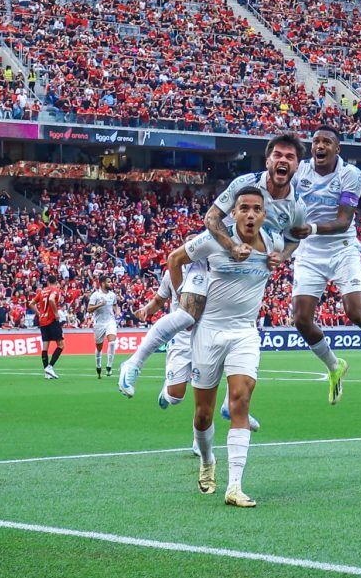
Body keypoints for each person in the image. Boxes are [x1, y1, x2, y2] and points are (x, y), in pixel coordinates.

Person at [119, 133, 310, 399]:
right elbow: (211, 217)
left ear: (298, 165)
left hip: (248, 271)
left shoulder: (297, 206)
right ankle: (133, 364)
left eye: (290, 157)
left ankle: (233, 404)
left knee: (238, 333)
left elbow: (294, 238)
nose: (283, 160)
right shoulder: (245, 183)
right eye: (277, 155)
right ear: (268, 160)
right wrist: (230, 247)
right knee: (187, 315)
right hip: (214, 257)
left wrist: (283, 256)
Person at [166, 186, 282, 507]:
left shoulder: (273, 243)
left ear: (263, 214)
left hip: (244, 332)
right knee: (203, 415)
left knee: (240, 401)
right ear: (233, 213)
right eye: (243, 207)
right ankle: (206, 461)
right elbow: (174, 259)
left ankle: (235, 486)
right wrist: (182, 303)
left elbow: (285, 251)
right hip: (207, 332)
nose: (249, 213)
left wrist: (276, 261)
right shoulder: (213, 242)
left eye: (256, 208)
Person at [292, 127, 361, 404]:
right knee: (301, 320)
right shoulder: (300, 172)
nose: (320, 145)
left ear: (337, 148)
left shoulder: (350, 174)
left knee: (355, 311)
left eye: (327, 141)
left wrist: (310, 227)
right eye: (315, 141)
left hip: (342, 248)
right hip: (309, 252)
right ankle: (334, 366)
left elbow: (344, 221)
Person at [131, 268, 260, 450]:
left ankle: (214, 423)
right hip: (182, 338)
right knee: (175, 396)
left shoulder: (215, 269)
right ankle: (167, 389)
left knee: (211, 385)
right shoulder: (172, 272)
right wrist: (146, 310)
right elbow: (159, 300)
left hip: (207, 334)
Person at [85, 276, 119, 379]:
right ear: (103, 283)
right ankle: (98, 366)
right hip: (99, 323)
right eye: (109, 282)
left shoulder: (112, 295)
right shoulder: (95, 295)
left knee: (112, 342)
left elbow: (115, 305)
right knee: (99, 348)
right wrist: (99, 305)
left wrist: (117, 311)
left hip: (110, 322)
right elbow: (89, 309)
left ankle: (109, 366)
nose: (111, 283)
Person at [33, 274, 65, 379]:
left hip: (42, 320)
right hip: (52, 320)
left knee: (45, 347)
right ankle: (50, 367)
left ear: (47, 282)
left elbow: (31, 303)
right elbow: (51, 299)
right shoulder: (55, 290)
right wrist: (56, 313)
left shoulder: (42, 291)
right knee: (60, 345)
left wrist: (39, 313)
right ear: (56, 282)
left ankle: (46, 373)